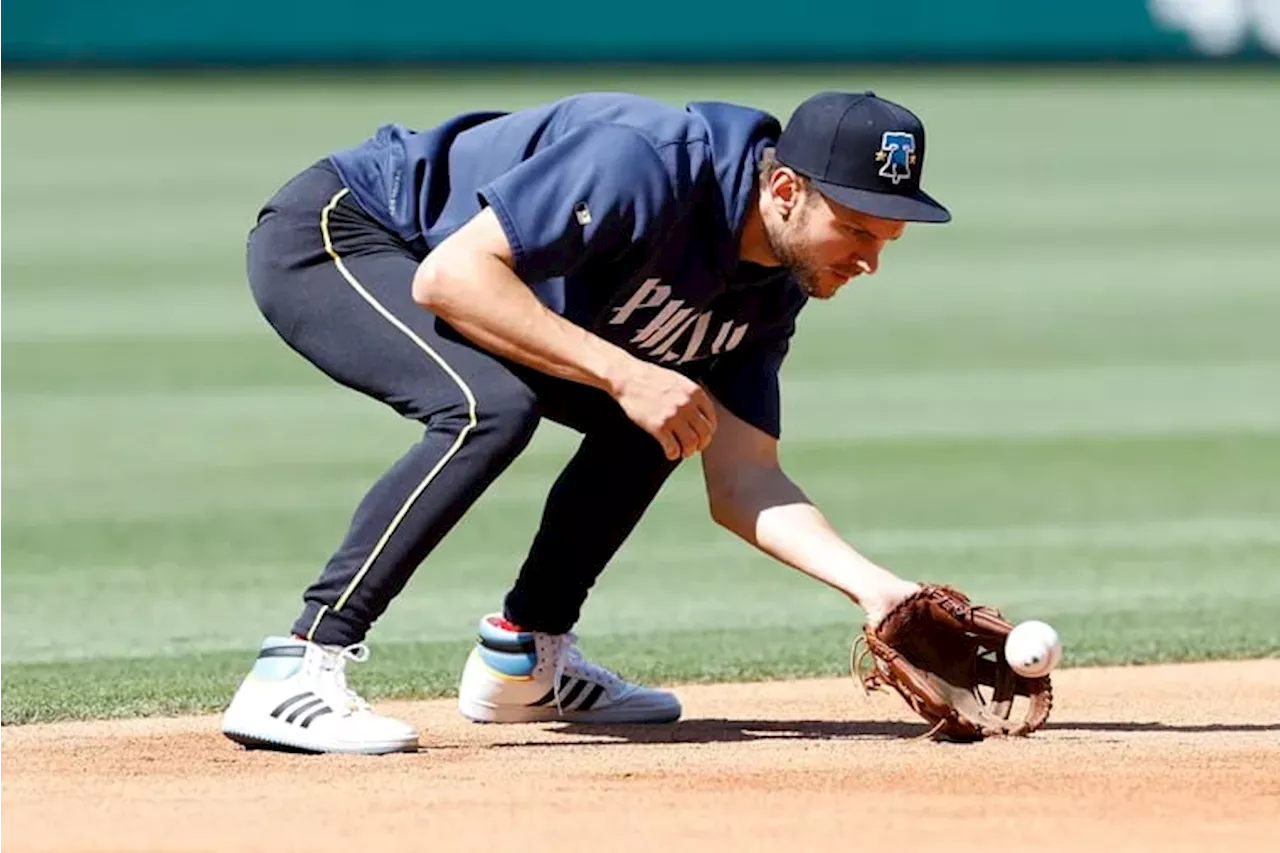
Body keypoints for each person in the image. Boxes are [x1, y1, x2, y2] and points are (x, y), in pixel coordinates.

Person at [220, 89, 952, 755]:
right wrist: (625, 373)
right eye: (856, 229)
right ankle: (300, 663)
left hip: (473, 278)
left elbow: (745, 478)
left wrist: (879, 590)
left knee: (674, 413)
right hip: (348, 233)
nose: (870, 261)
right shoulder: (648, 164)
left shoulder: (770, 289)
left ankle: (524, 658)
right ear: (787, 189)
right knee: (489, 408)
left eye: (888, 238)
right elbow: (448, 278)